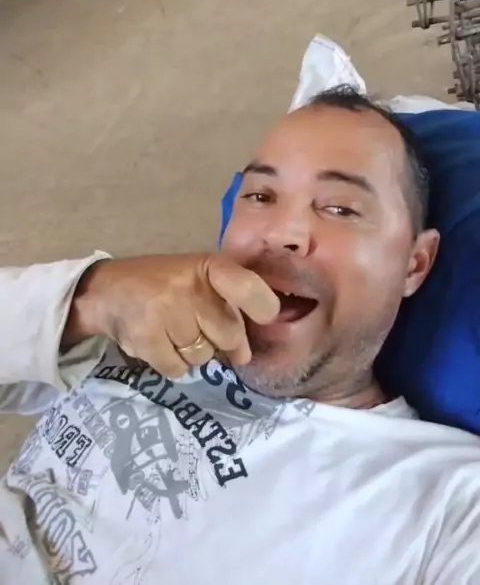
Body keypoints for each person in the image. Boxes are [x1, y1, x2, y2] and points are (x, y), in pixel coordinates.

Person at [2, 85, 480, 585]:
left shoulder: (446, 505)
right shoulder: (125, 331)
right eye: (260, 196)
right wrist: (87, 298)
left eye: (340, 208)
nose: (281, 232)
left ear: (414, 265)